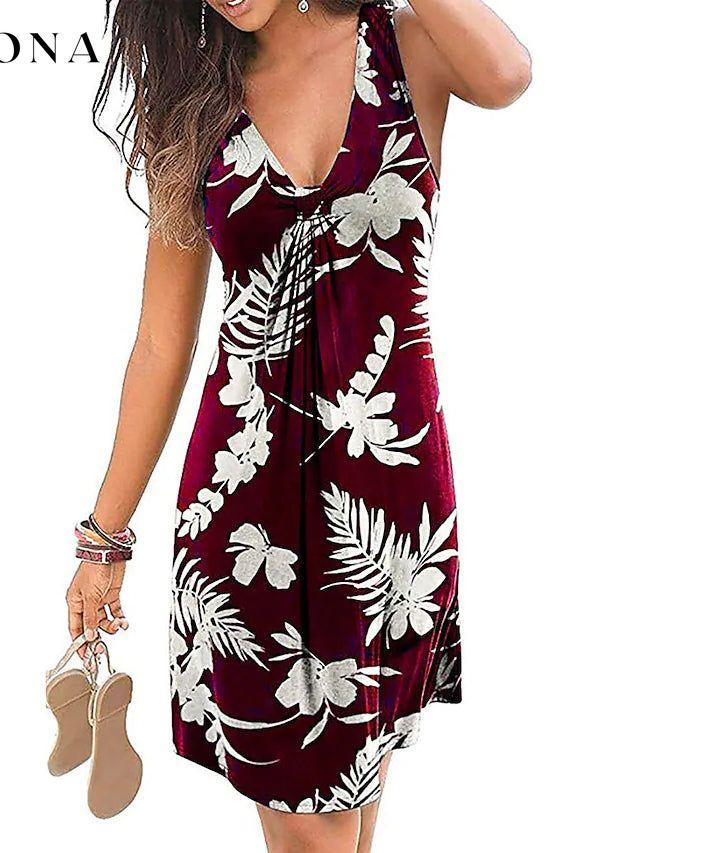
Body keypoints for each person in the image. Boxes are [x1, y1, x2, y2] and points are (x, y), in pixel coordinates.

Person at [66, 1, 530, 849]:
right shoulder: (191, 102)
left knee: (344, 815)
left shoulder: (406, 46)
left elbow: (505, 75)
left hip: (388, 508)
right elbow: (162, 341)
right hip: (248, 511)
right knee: (315, 827)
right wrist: (105, 535)